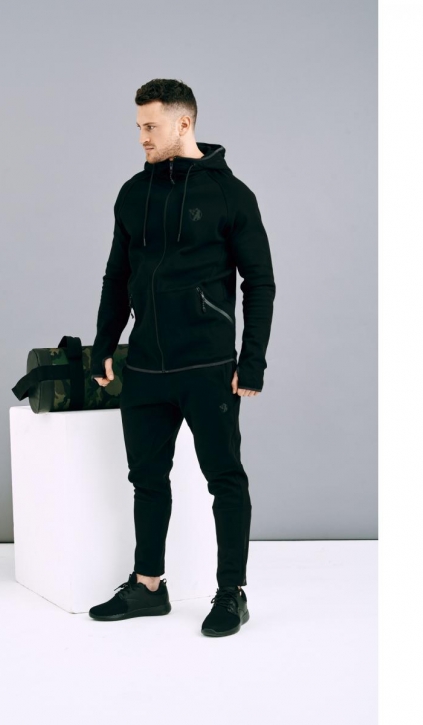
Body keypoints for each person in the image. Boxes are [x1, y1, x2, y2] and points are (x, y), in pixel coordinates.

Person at [87, 78, 276, 637]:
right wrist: (104, 344)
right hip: (146, 365)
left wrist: (253, 360)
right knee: (147, 479)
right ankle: (148, 587)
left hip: (207, 366)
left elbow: (260, 282)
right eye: (138, 127)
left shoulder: (230, 195)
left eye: (150, 126)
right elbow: (117, 276)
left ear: (183, 123)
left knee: (225, 479)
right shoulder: (132, 193)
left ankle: (231, 593)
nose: (142, 137)